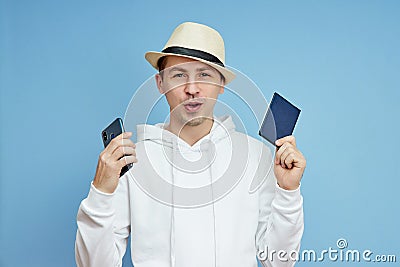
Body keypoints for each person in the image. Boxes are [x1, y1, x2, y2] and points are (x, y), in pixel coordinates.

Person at [75, 22, 306, 267]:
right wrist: (100, 192)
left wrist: (288, 193)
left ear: (221, 85)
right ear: (160, 83)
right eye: (179, 75)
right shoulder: (132, 160)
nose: (192, 89)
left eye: (204, 75)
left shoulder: (255, 156)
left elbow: (279, 262)